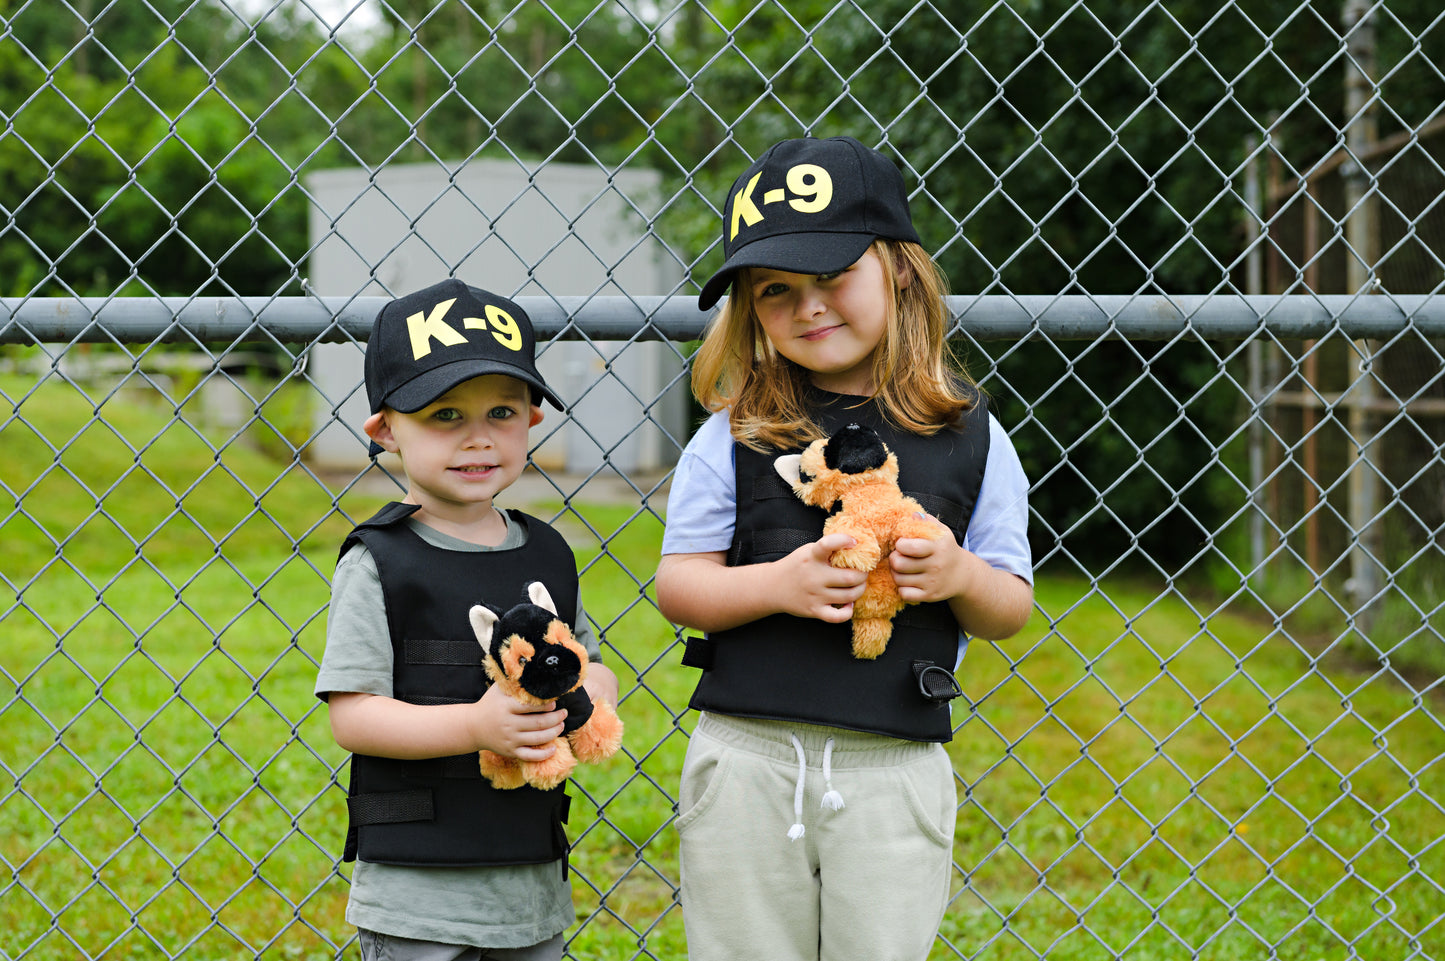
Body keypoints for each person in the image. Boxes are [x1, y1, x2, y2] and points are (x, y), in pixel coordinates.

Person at [656, 135, 1034, 961]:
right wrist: (776, 585)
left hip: (891, 768)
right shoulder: (734, 433)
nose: (808, 306)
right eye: (775, 290)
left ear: (898, 267)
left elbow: (1009, 604)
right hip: (747, 758)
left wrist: (958, 574)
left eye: (832, 277)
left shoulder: (971, 436)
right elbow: (678, 585)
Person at [316, 278, 620, 961]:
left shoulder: (547, 550)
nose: (478, 439)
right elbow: (353, 714)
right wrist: (475, 726)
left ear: (533, 419)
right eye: (445, 415)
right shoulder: (379, 560)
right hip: (418, 892)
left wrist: (590, 699)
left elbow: (589, 664)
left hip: (527, 879)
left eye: (501, 412)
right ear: (386, 428)